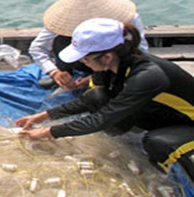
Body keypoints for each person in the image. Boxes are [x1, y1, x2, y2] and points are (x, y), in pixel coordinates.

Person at [16, 18, 194, 180]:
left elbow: (101, 120)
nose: (83, 64)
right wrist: (43, 116)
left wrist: (47, 133)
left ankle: (166, 169)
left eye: (85, 59)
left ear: (107, 56)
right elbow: (88, 101)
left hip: (189, 123)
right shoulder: (109, 67)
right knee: (96, 96)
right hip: (162, 112)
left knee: (157, 143)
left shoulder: (147, 76)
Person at [29, 0, 148, 90]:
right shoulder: (61, 21)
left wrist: (94, 77)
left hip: (112, 61)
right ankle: (66, 77)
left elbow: (141, 50)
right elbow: (37, 48)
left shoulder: (129, 19)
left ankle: (106, 77)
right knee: (60, 41)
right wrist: (54, 72)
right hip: (95, 58)